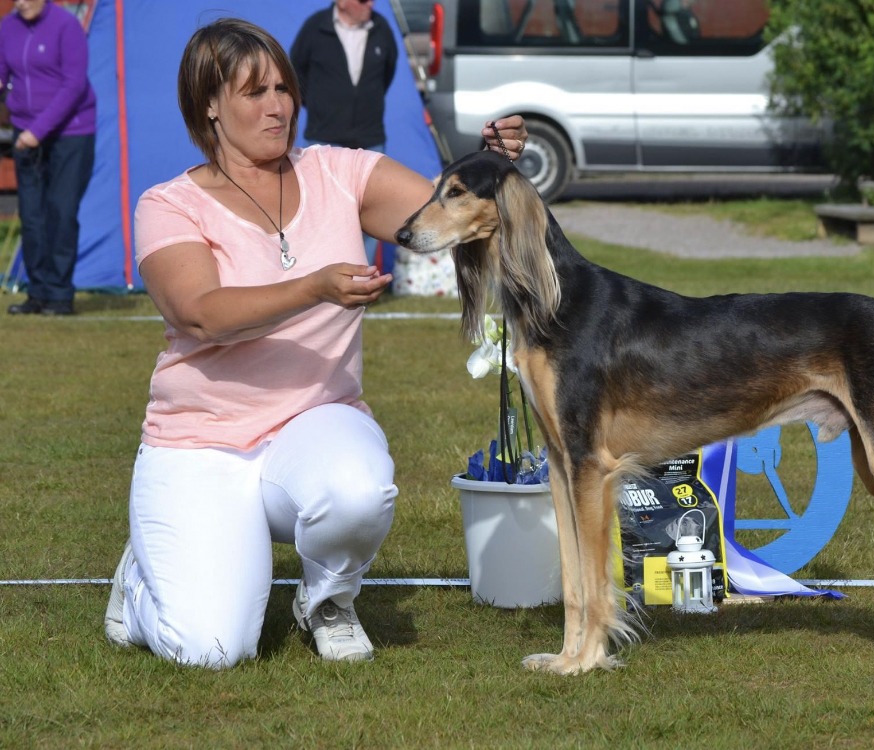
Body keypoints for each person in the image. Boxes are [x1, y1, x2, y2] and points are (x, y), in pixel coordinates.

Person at [102, 18, 526, 668]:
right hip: (200, 443)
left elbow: (449, 220)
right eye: (254, 92)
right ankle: (140, 582)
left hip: (314, 423)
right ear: (208, 104)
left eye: (283, 88)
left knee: (359, 487)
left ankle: (327, 598)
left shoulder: (339, 171)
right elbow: (201, 315)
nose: (278, 105)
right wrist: (313, 287)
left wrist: (491, 163)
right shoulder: (169, 204)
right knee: (211, 648)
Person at [0, 0, 96, 316]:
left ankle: (59, 296)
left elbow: (74, 86)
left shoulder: (66, 27)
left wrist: (37, 131)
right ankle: (37, 293)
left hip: (71, 133)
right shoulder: (7, 27)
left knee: (61, 210)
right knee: (32, 214)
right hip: (25, 133)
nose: (22, 3)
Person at [290, 0, 397, 266]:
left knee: (369, 213)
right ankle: (319, 278)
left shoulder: (381, 28)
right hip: (323, 137)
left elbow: (387, 73)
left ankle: (362, 284)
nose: (370, 4)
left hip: (370, 138)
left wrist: (363, 106)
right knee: (319, 213)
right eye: (363, 0)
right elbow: (295, 73)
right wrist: (321, 107)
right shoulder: (315, 28)